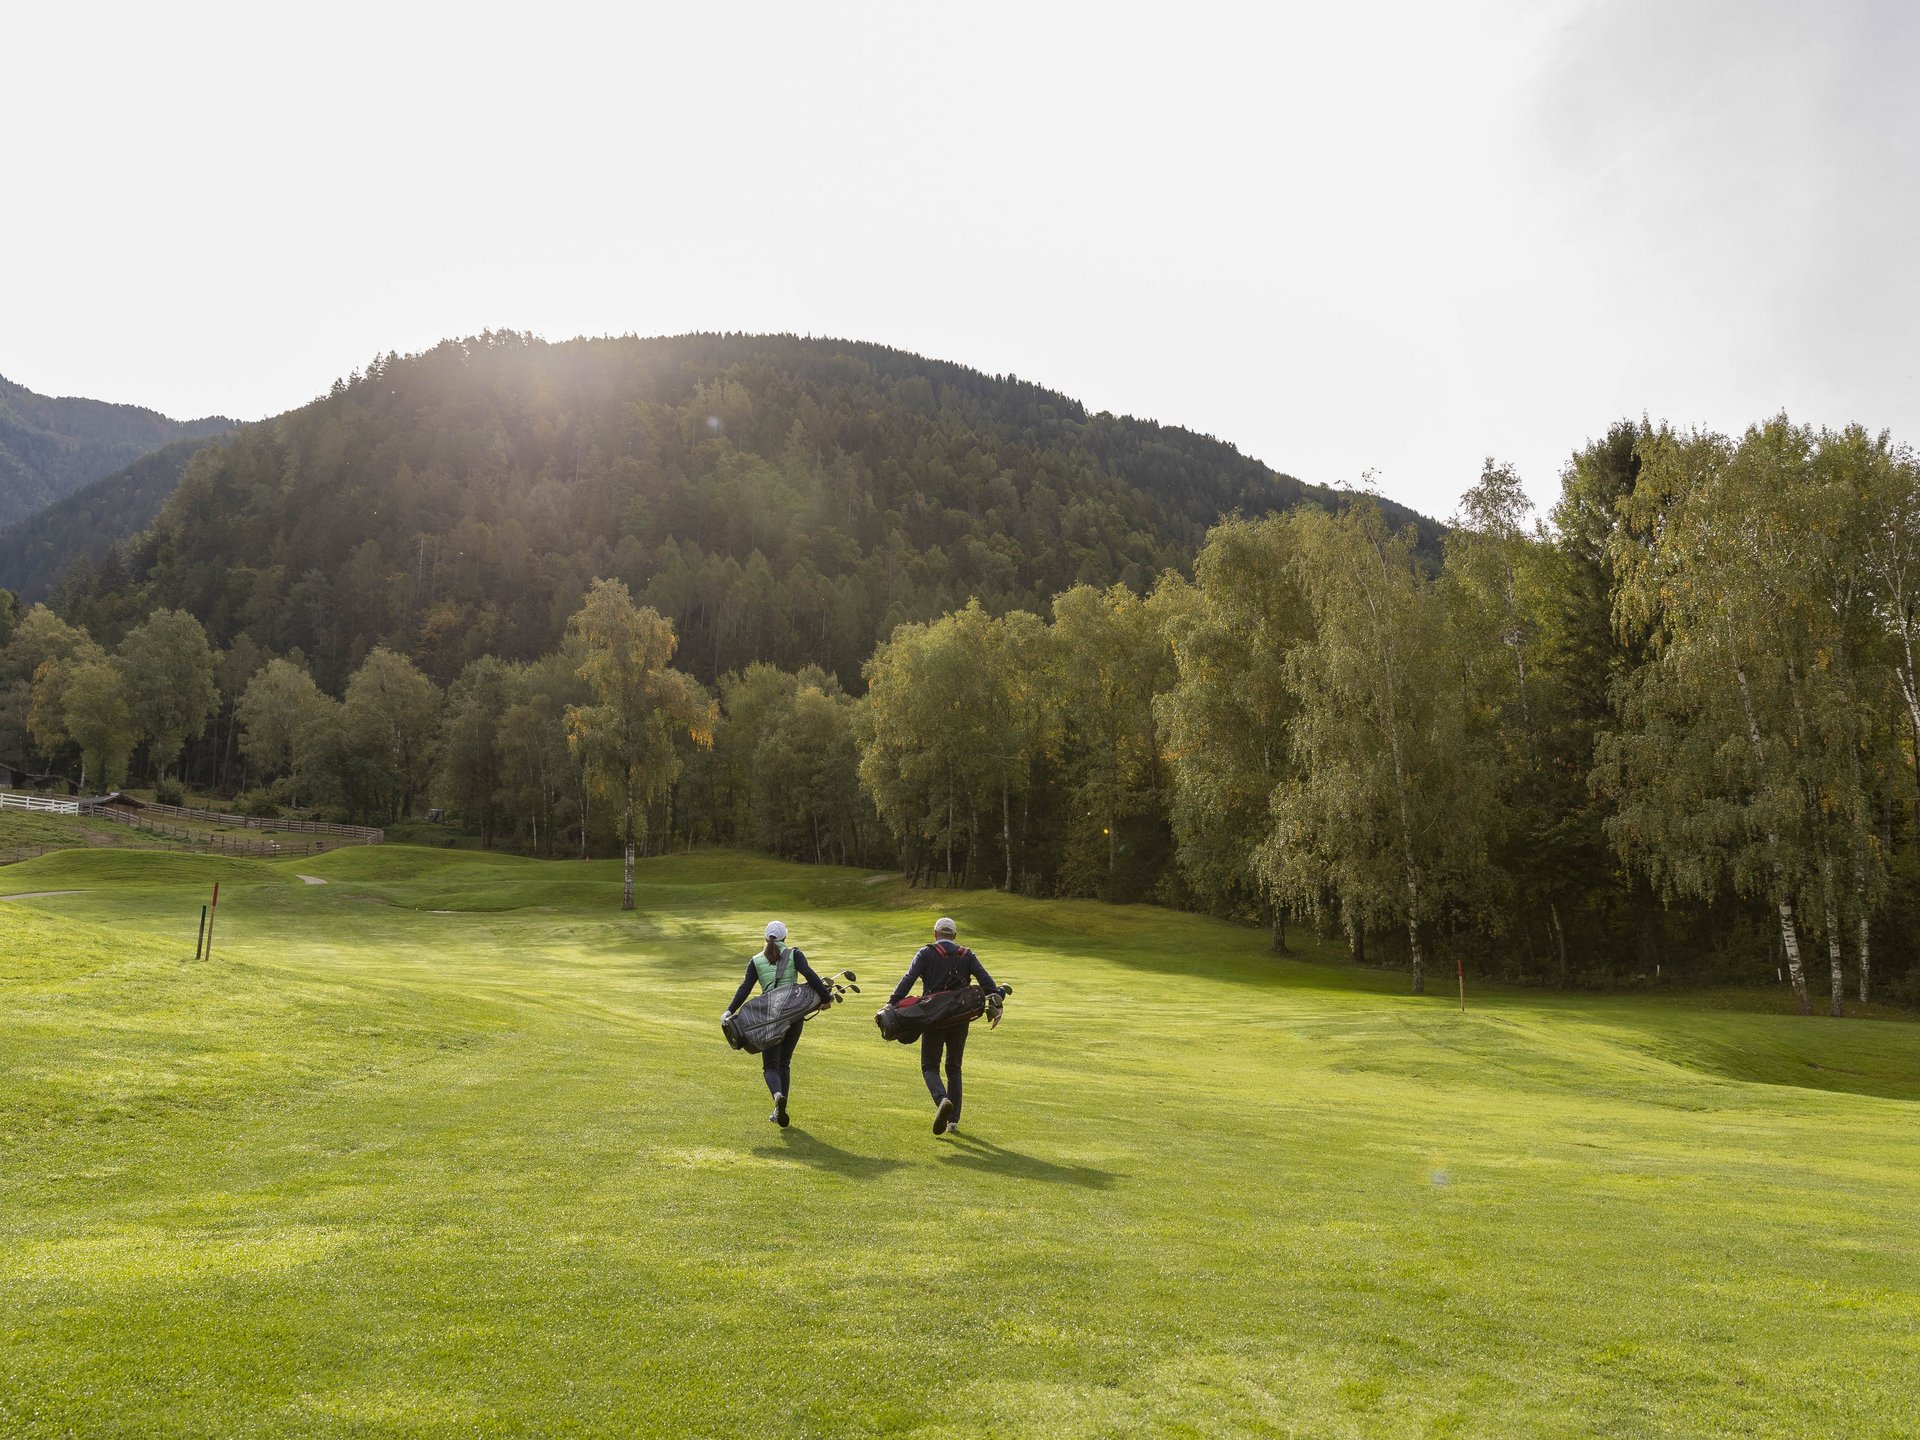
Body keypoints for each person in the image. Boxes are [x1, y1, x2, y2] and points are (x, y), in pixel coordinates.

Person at [886, 916, 1003, 1136]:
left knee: (930, 1066)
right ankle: (952, 1122)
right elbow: (988, 985)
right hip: (960, 1018)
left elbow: (908, 979)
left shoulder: (926, 953)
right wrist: (999, 995)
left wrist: (891, 1002)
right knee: (954, 1067)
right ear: (955, 936)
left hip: (933, 1017)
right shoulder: (967, 955)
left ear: (935, 934)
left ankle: (942, 1099)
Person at [723, 920, 834, 1127]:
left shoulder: (756, 960)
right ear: (785, 938)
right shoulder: (794, 954)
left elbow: (746, 987)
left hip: (769, 1019)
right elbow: (809, 974)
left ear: (766, 938)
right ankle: (780, 1106)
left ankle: (777, 1097)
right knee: (784, 1063)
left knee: (770, 1065)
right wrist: (825, 997)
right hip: (794, 1015)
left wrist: (730, 1010)